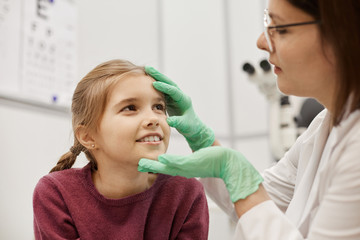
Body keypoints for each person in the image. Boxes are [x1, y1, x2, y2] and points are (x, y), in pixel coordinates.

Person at [138, 0, 360, 239]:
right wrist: (202, 141)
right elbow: (263, 201)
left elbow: (253, 199)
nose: (262, 42)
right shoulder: (324, 126)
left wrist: (234, 171)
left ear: (343, 32)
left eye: (280, 29)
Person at [32, 59, 209, 239]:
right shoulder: (56, 194)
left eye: (158, 107)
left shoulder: (186, 193)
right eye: (130, 108)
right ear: (88, 136)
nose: (153, 119)